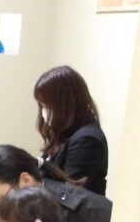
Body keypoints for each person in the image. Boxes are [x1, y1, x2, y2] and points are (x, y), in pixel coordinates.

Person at [34, 65, 108, 196]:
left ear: (64, 104)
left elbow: (69, 193)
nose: (44, 113)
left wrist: (34, 182)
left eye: (46, 105)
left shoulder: (87, 140)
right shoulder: (64, 133)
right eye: (42, 106)